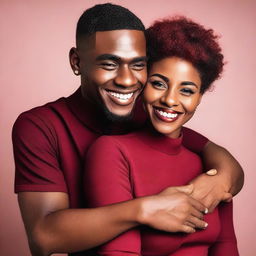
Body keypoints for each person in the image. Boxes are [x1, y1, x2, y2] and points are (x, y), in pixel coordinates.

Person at [12, 3, 243, 256]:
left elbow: (213, 153)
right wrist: (145, 210)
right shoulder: (40, 126)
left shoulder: (151, 113)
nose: (126, 80)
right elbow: (44, 237)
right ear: (77, 62)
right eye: (110, 64)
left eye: (137, 65)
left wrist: (221, 178)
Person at [83, 16, 239, 255]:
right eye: (158, 83)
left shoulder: (212, 170)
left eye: (186, 90)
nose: (170, 100)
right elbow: (119, 252)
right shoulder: (112, 151)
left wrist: (223, 177)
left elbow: (226, 245)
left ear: (200, 96)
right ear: (143, 82)